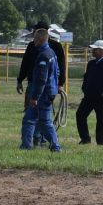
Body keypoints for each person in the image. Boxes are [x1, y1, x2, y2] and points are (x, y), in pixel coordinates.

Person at [19, 21, 62, 152]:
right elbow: (57, 71)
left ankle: (55, 146)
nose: (33, 41)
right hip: (48, 92)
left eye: (35, 38)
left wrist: (35, 97)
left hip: (42, 94)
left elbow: (41, 79)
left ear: (41, 39)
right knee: (29, 119)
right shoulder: (51, 53)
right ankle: (26, 146)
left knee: (44, 122)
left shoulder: (43, 56)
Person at [76, 39, 103, 145]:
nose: (92, 51)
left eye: (95, 49)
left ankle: (101, 142)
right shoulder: (91, 63)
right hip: (88, 97)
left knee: (102, 120)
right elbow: (86, 78)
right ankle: (85, 139)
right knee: (80, 115)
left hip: (102, 98)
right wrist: (84, 89)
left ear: (102, 51)